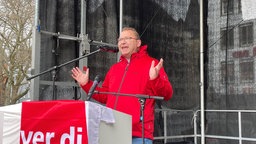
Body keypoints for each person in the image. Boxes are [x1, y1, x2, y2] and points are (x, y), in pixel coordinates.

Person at [71, 27, 173, 144]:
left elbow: (167, 94)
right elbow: (105, 96)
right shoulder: (114, 69)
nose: (122, 42)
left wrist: (155, 79)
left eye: (127, 38)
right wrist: (86, 84)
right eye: (120, 40)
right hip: (112, 130)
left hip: (137, 134)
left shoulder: (152, 64)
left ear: (138, 43)